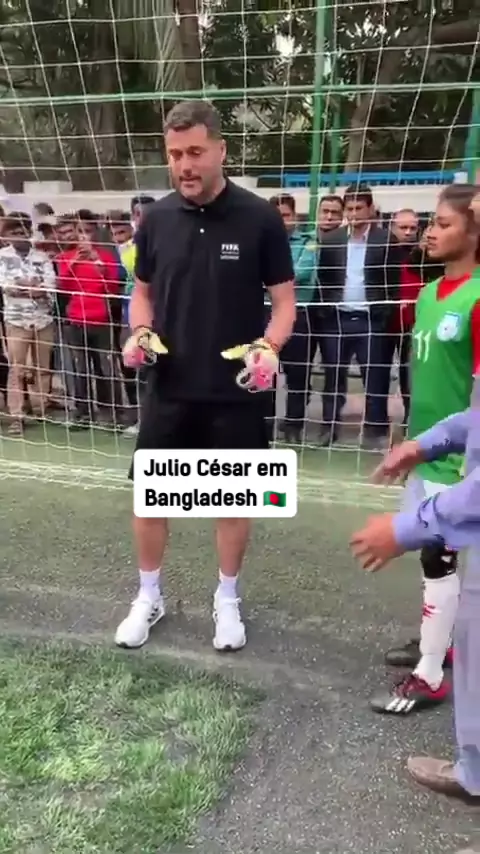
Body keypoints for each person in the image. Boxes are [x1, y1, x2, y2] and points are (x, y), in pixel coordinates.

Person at [114, 99, 295, 652]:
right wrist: (138, 333)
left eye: (195, 152)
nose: (185, 165)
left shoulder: (260, 217)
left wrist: (269, 347)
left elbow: (284, 305)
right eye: (175, 155)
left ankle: (227, 598)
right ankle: (149, 596)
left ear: (220, 150)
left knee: (233, 500)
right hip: (168, 386)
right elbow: (142, 294)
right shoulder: (156, 219)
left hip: (235, 392)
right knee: (151, 499)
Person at [366, 183, 480, 715]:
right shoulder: (431, 293)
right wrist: (410, 437)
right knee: (435, 561)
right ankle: (441, 641)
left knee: (438, 554)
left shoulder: (477, 300)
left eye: (443, 223)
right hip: (425, 448)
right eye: (431, 222)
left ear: (474, 233)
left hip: (459, 458)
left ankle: (430, 674)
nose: (430, 232)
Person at [315, 183, 402, 450]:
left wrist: (384, 314)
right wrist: (325, 311)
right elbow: (324, 279)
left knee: (375, 377)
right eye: (349, 208)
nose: (353, 214)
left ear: (370, 209)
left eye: (358, 208)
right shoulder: (332, 240)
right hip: (336, 319)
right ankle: (329, 427)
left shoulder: (385, 240)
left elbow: (393, 281)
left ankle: (375, 430)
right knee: (333, 376)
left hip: (371, 320)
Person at [267, 193, 318, 444]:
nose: (281, 220)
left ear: (295, 216)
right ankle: (264, 424)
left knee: (298, 374)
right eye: (276, 216)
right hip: (265, 313)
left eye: (286, 215)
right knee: (263, 371)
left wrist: (268, 278)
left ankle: (294, 426)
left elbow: (303, 272)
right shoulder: (260, 241)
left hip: (299, 314)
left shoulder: (309, 243)